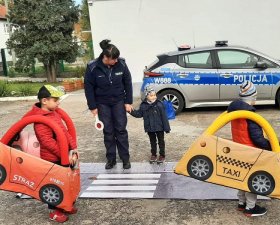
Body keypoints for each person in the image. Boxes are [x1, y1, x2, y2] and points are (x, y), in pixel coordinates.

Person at [23, 85, 78, 223]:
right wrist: (65, 155)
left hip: (63, 155)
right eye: (55, 100)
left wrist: (73, 148)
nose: (58, 102)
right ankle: (55, 211)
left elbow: (64, 132)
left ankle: (65, 205)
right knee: (55, 185)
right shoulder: (40, 120)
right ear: (44, 101)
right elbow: (47, 142)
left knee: (66, 181)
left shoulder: (54, 113)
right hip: (52, 158)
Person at [84, 39, 133, 170]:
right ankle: (111, 159)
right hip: (102, 103)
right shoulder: (92, 67)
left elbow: (128, 82)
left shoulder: (121, 64)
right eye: (113, 59)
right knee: (108, 131)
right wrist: (92, 106)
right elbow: (88, 87)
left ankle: (125, 159)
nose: (116, 61)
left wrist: (128, 102)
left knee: (121, 130)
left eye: (117, 58)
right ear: (106, 57)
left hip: (118, 101)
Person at [227, 81, 271, 217]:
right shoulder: (250, 115)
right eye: (255, 98)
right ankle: (250, 208)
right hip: (250, 152)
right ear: (251, 98)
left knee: (241, 178)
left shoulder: (234, 111)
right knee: (251, 180)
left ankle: (241, 203)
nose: (255, 101)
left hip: (238, 149)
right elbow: (257, 138)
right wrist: (269, 146)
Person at [130, 87, 170, 163]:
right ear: (146, 96)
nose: (154, 97)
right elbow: (138, 114)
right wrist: (130, 111)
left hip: (159, 127)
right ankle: (154, 154)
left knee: (161, 141)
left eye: (155, 95)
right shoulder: (143, 105)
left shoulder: (159, 104)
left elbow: (164, 117)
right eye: (151, 95)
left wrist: (166, 128)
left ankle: (162, 155)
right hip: (149, 127)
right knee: (152, 141)